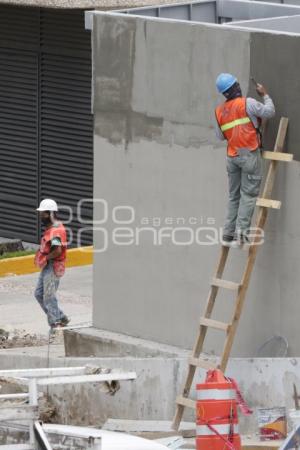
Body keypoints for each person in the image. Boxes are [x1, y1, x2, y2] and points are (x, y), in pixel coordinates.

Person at [215, 73, 275, 247]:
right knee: (248, 195)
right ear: (234, 88)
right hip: (248, 154)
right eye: (237, 85)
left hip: (232, 156)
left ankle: (228, 236)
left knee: (234, 196)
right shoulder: (247, 103)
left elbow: (220, 136)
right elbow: (270, 111)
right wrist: (264, 95)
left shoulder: (219, 111)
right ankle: (240, 237)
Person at [34, 199, 69, 329]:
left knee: (48, 297)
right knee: (39, 294)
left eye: (43, 213)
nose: (40, 216)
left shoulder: (55, 231)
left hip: (53, 266)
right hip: (48, 265)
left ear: (50, 213)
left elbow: (57, 250)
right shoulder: (51, 228)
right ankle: (61, 317)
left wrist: (45, 258)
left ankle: (56, 325)